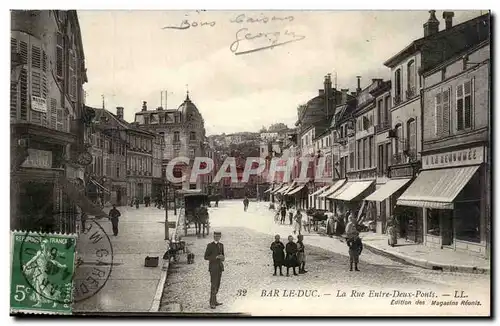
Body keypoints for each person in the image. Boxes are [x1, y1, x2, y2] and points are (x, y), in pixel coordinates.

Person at [204, 231, 225, 309]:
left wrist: (222, 258)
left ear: (220, 237)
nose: (217, 237)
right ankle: (212, 303)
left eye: (218, 236)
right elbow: (206, 257)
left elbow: (223, 256)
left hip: (220, 267)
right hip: (213, 268)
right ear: (214, 236)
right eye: (216, 236)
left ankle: (215, 301)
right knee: (213, 285)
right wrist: (215, 257)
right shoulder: (210, 246)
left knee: (218, 284)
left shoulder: (221, 245)